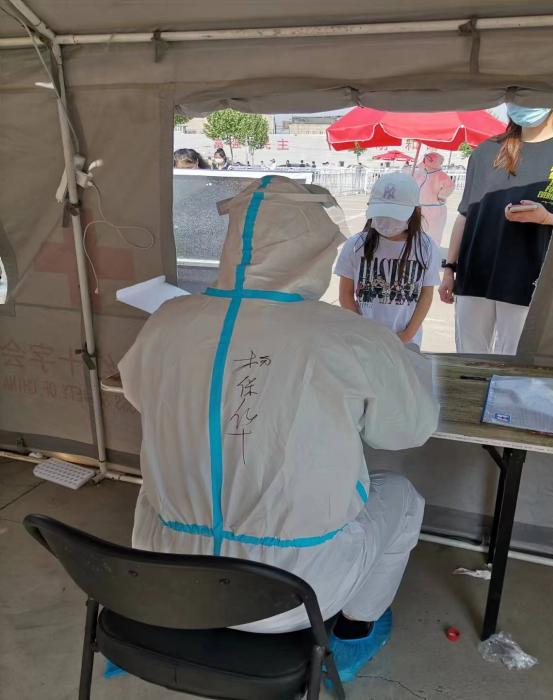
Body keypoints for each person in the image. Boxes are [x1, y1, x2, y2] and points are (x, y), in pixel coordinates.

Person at [119, 175, 439, 682]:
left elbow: (139, 395)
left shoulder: (168, 319)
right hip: (293, 597)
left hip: (167, 579)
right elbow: (404, 432)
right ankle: (357, 628)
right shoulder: (352, 336)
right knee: (402, 497)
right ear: (316, 251)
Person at [439, 105, 553, 354]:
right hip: (475, 276)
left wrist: (547, 218)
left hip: (529, 281)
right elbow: (465, 215)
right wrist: (449, 269)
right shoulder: (486, 151)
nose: (524, 103)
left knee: (515, 363)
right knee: (470, 361)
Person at [336, 172, 441, 349]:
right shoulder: (355, 245)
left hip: (406, 343)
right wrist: (363, 331)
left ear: (415, 211)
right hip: (363, 341)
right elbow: (345, 294)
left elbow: (426, 294)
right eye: (381, 213)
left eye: (394, 215)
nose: (386, 221)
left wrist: (406, 336)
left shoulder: (426, 247)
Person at [414, 152, 456, 246]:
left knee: (433, 234)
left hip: (434, 208)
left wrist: (441, 196)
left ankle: (432, 250)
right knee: (417, 233)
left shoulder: (441, 175)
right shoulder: (419, 173)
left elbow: (449, 187)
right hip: (418, 208)